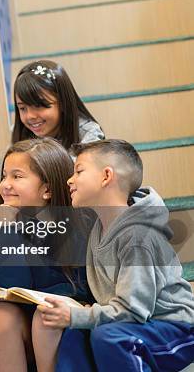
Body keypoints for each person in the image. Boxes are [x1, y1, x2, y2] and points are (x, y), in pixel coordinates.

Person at [39, 139, 194, 372]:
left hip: (176, 328)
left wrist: (78, 315)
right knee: (75, 335)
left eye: (79, 171)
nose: (70, 180)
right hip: (138, 325)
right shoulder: (99, 231)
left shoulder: (137, 237)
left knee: (108, 336)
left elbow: (133, 311)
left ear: (106, 176)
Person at [0, 138, 91, 372]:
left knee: (45, 315)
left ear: (47, 189)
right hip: (31, 315)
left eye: (17, 176)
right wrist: (7, 230)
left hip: (66, 314)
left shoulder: (76, 223)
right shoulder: (11, 224)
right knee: (2, 314)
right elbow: (13, 287)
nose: (5, 185)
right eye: (4, 176)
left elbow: (81, 289)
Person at [0, 59, 104, 209]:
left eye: (39, 106)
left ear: (63, 103)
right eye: (22, 108)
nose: (30, 116)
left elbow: (81, 191)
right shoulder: (18, 137)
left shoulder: (88, 135)